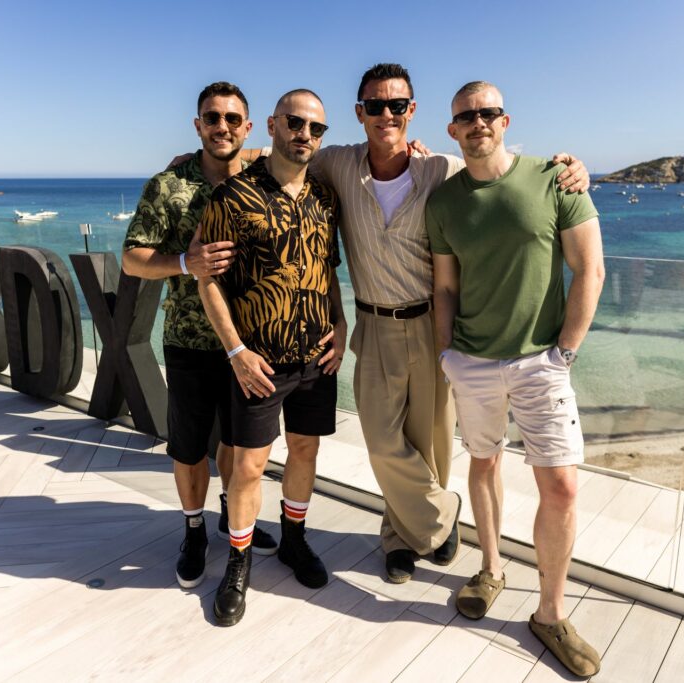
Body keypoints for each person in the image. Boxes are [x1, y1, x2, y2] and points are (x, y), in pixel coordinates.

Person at [304, 64, 591, 583]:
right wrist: (207, 158)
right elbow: (283, 155)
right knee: (382, 442)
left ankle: (400, 540)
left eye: (396, 106)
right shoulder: (336, 164)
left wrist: (573, 170)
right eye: (374, 106)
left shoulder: (442, 169)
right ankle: (442, 517)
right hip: (372, 321)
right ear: (360, 113)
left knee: (431, 443)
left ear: (412, 112)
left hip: (433, 322)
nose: (385, 114)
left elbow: (500, 178)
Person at [427, 81, 604, 677]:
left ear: (504, 121)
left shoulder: (557, 179)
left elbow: (590, 270)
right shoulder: (444, 202)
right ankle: (492, 569)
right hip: (471, 363)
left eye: (488, 113)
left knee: (562, 488)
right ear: (453, 130)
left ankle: (550, 614)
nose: (477, 122)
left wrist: (565, 354)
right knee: (483, 464)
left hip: (543, 364)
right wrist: (447, 354)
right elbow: (445, 287)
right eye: (465, 116)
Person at [121, 82, 278, 591]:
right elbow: (131, 258)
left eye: (233, 119)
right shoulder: (169, 186)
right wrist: (184, 263)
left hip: (251, 343)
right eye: (212, 118)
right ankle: (193, 531)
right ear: (198, 126)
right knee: (188, 450)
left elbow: (302, 149)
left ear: (247, 127)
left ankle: (235, 520)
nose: (223, 127)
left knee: (236, 444)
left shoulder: (262, 178)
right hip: (190, 339)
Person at [198, 89, 345, 626]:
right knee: (250, 466)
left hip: (316, 357)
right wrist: (235, 350)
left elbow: (328, 271)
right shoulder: (232, 198)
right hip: (257, 362)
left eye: (315, 128)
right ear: (273, 125)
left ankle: (294, 541)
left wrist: (342, 324)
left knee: (305, 453)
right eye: (295, 122)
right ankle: (238, 562)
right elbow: (206, 281)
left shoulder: (325, 199)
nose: (305, 133)